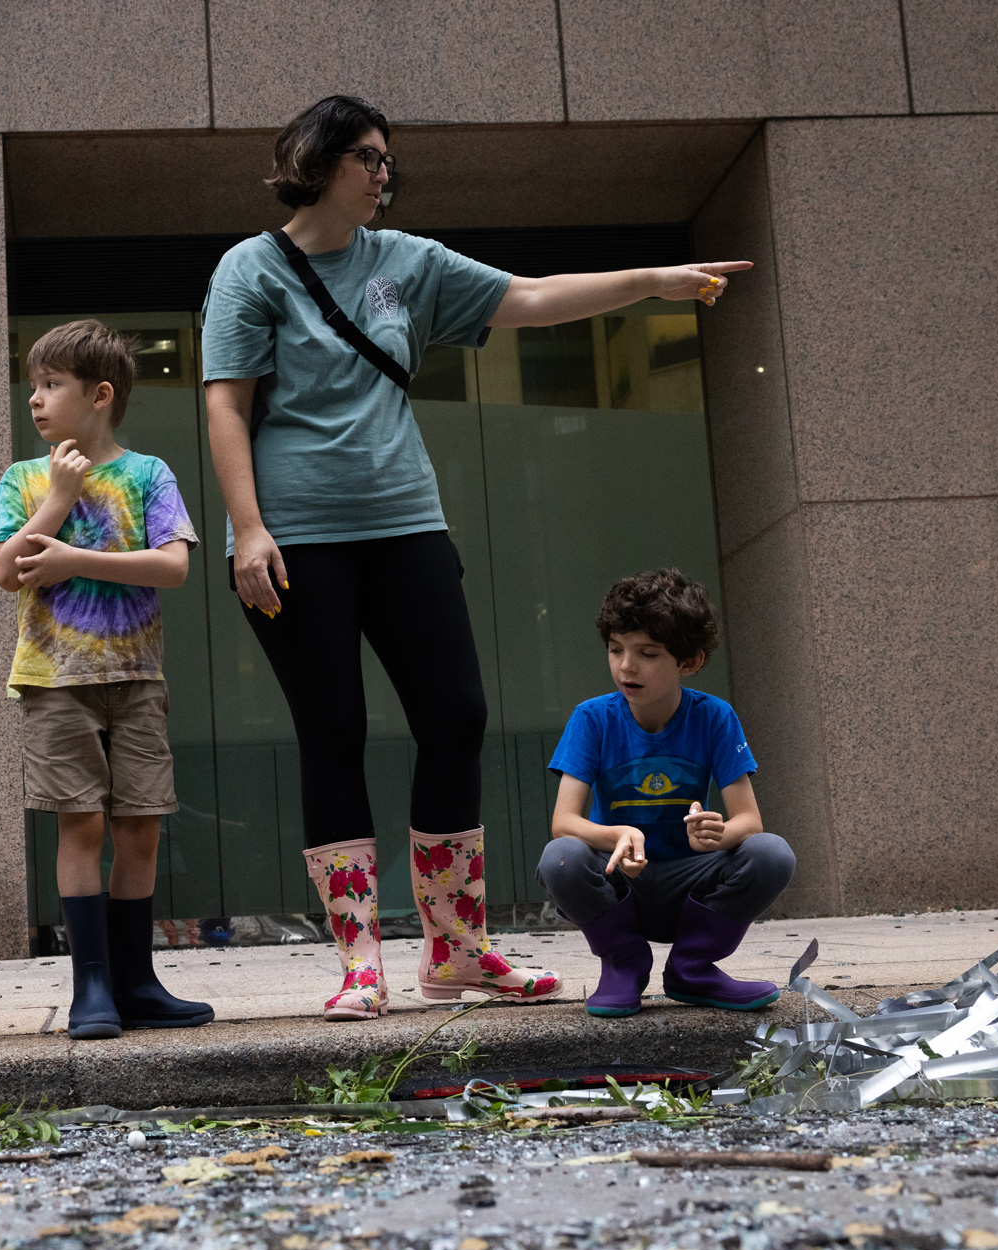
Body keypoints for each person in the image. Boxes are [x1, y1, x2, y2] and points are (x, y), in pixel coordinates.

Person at [200, 93, 752, 1022]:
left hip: (406, 519)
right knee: (331, 730)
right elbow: (225, 404)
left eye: (388, 161)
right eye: (369, 158)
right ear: (323, 160)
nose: (385, 174)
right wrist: (248, 529)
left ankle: (455, 949)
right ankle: (358, 963)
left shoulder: (407, 262)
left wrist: (652, 280)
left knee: (454, 713)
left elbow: (530, 297)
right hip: (294, 537)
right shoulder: (251, 270)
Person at [0, 320, 213, 1040]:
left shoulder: (148, 474)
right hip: (55, 680)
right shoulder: (24, 478)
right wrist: (57, 499)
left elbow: (173, 565)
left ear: (100, 395)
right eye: (34, 386)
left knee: (139, 826)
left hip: (136, 676)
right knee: (79, 823)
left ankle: (135, 979)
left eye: (52, 385)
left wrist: (77, 560)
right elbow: (5, 570)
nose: (36, 400)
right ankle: (91, 987)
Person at [536, 569, 794, 1017]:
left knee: (772, 854)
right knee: (561, 858)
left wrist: (718, 833)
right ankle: (623, 963)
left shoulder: (714, 717)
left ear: (689, 662)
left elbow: (749, 822)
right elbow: (564, 823)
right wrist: (616, 834)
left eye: (647, 653)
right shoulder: (592, 718)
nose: (625, 666)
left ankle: (692, 968)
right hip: (618, 883)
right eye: (615, 649)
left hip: (689, 882)